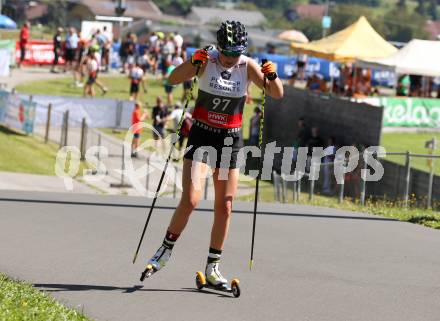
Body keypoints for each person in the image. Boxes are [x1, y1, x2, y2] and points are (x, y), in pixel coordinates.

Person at [141, 20, 283, 288]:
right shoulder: (207, 58)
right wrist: (192, 63)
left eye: (236, 52)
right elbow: (172, 79)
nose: (231, 59)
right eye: (227, 52)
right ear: (219, 47)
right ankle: (165, 250)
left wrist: (272, 75)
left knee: (226, 205)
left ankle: (213, 267)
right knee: (191, 199)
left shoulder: (247, 65)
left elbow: (276, 94)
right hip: (202, 135)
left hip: (229, 140)